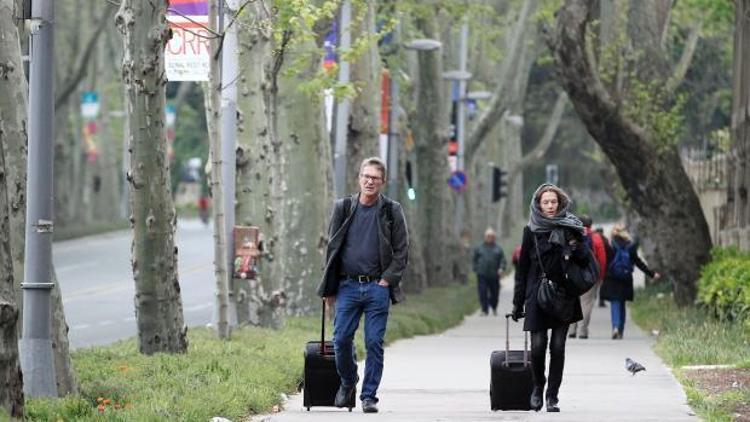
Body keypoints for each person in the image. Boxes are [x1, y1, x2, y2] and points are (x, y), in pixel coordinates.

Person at [316, 157, 409, 413]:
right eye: (365, 176)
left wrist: (386, 281)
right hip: (347, 286)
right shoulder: (343, 207)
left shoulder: (392, 210)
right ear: (359, 178)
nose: (369, 181)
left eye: (375, 178)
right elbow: (333, 249)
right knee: (341, 339)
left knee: (374, 342)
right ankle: (348, 381)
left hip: (377, 288)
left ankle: (369, 396)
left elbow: (402, 251)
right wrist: (329, 288)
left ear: (382, 182)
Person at [512, 183, 587, 413]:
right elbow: (522, 268)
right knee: (537, 346)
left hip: (564, 294)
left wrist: (574, 247)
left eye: (554, 201)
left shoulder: (571, 227)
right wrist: (518, 302)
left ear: (560, 202)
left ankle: (552, 396)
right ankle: (537, 386)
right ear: (538, 205)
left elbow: (585, 260)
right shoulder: (531, 230)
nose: (550, 206)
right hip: (537, 294)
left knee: (558, 346)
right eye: (546, 202)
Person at [599, 224, 660, 339]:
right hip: (625, 278)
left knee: (615, 303)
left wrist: (600, 275)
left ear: (613, 233)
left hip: (612, 278)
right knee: (622, 303)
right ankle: (620, 330)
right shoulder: (630, 246)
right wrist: (652, 274)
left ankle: (615, 327)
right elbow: (638, 262)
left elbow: (603, 261)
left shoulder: (610, 245)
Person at [568, 215, 607, 339]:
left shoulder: (571, 235)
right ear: (591, 224)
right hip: (589, 275)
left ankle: (571, 330)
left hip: (573, 274)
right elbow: (602, 259)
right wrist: (601, 275)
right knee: (587, 303)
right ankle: (583, 331)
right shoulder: (596, 237)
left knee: (573, 301)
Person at [472, 228, 507, 316]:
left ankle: (494, 306)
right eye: (488, 236)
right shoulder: (479, 248)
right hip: (482, 274)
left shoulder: (498, 248)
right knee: (482, 292)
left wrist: (501, 268)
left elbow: (503, 260)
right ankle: (484, 309)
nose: (489, 238)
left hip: (494, 275)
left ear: (494, 237)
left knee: (494, 293)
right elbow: (474, 259)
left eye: (491, 236)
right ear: (484, 237)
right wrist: (476, 268)